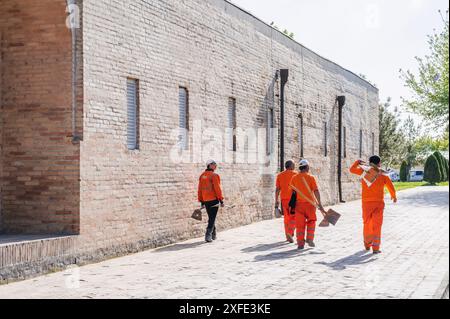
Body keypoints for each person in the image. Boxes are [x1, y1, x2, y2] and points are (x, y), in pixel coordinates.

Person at [350, 155, 397, 254]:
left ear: (370, 162)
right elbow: (390, 186)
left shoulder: (364, 171)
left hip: (366, 203)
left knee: (367, 223)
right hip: (378, 203)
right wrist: (393, 195)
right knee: (377, 225)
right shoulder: (383, 174)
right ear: (379, 163)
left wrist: (357, 162)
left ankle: (367, 245)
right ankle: (375, 248)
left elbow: (352, 169)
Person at [289, 159, 327, 250]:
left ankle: (300, 243)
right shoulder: (311, 178)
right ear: (307, 167)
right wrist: (320, 204)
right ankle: (310, 239)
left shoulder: (294, 178)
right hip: (310, 205)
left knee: (300, 225)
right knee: (311, 222)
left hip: (299, 206)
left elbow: (293, 192)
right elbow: (316, 191)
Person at [198, 160, 225, 243]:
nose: (216, 166)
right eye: (214, 164)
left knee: (211, 217)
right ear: (210, 165)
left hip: (206, 200)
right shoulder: (214, 175)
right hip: (214, 200)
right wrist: (221, 200)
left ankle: (214, 234)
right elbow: (217, 188)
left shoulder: (202, 176)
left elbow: (200, 189)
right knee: (212, 218)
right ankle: (208, 235)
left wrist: (201, 201)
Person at [275, 160, 297, 243]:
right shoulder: (296, 174)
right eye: (294, 165)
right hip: (293, 200)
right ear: (291, 166)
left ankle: (288, 236)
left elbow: (277, 189)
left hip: (284, 200)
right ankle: (290, 232)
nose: (294, 166)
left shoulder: (280, 175)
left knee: (286, 218)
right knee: (294, 217)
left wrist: (276, 200)